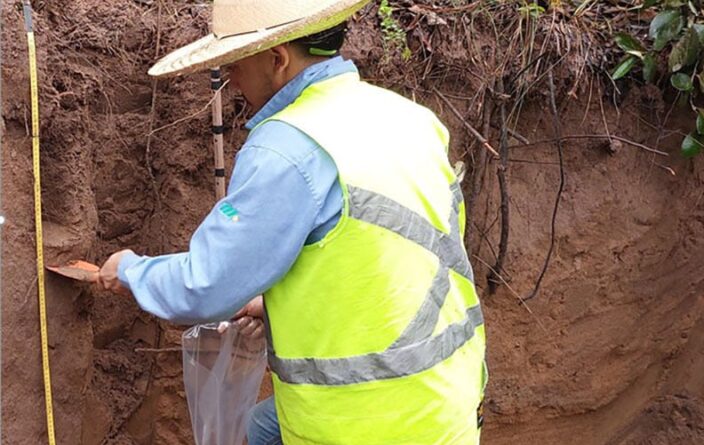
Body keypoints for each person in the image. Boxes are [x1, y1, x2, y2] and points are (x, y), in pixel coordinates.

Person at [99, 0, 487, 443]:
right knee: (257, 432)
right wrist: (278, 304)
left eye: (235, 65)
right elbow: (398, 250)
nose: (231, 80)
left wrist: (130, 269)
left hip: (364, 423)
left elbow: (206, 286)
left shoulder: (287, 147)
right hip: (445, 400)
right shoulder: (409, 117)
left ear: (277, 58)